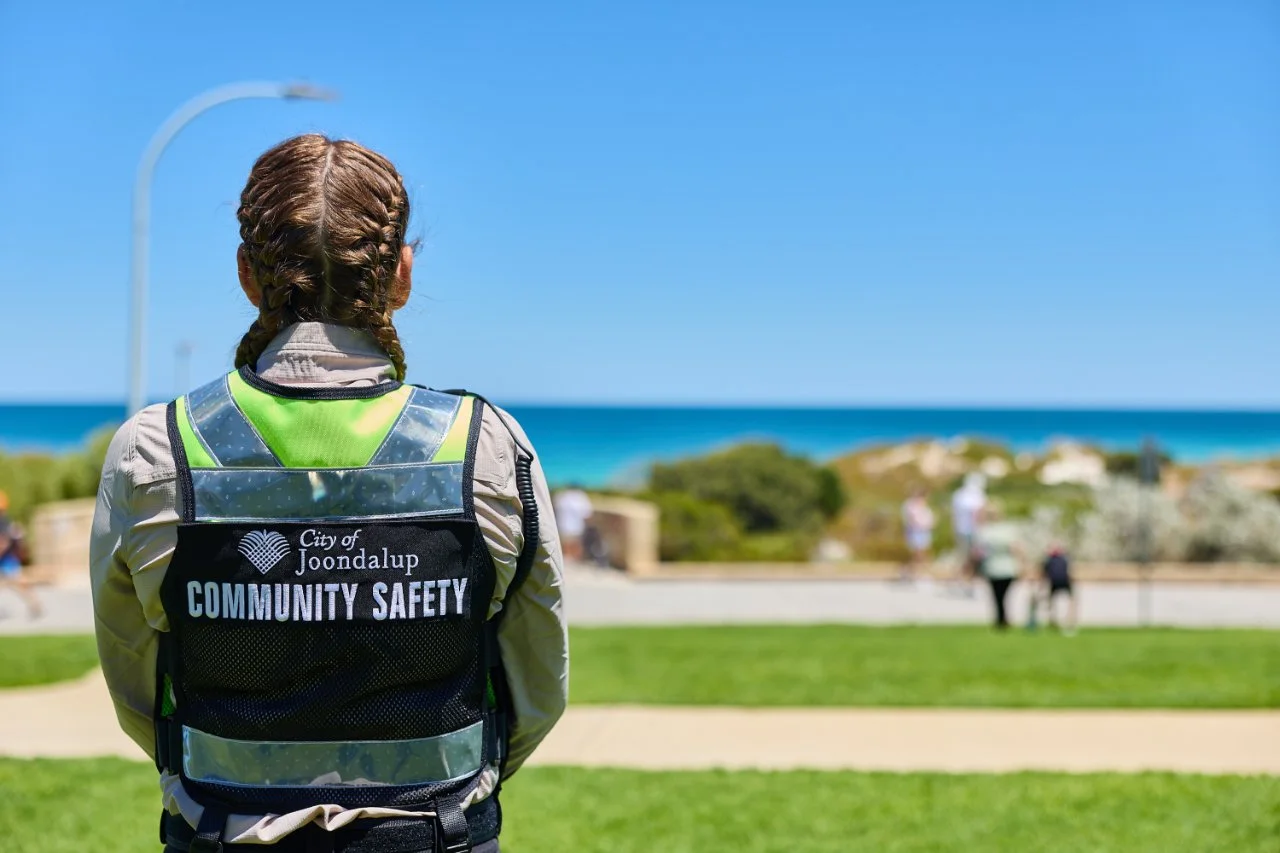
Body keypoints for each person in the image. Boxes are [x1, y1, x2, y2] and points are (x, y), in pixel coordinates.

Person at [90, 135, 568, 853]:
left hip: (222, 831)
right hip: (436, 833)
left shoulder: (159, 448)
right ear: (400, 273)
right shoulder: (485, 446)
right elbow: (538, 685)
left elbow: (137, 689)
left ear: (248, 274)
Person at [970, 504, 1023, 629]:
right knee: (1002, 596)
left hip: (993, 568)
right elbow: (1016, 549)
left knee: (997, 596)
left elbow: (977, 553)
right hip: (1007, 568)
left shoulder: (984, 531)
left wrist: (973, 567)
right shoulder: (1007, 530)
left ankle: (1001, 619)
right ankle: (1002, 619)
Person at [0, 492, 41, 619]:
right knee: (18, 583)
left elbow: (4, 541)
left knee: (19, 583)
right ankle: (35, 604)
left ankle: (35, 605)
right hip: (7, 559)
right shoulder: (6, 520)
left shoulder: (3, 521)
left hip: (7, 559)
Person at [950, 473, 987, 596]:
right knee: (966, 558)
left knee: (970, 558)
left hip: (969, 531)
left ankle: (966, 582)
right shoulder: (964, 496)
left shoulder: (962, 495)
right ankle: (964, 581)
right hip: (967, 531)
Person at [899, 487, 935, 583]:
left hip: (924, 532)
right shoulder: (910, 506)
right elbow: (911, 520)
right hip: (916, 532)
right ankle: (920, 573)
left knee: (920, 554)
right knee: (919, 554)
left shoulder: (923, 507)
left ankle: (908, 572)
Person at [1041, 543, 1078, 635]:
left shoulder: (1049, 560)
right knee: (1070, 602)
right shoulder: (1064, 559)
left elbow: (1044, 574)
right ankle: (1069, 623)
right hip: (1063, 581)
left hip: (1057, 582)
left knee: (1052, 603)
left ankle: (1054, 622)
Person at [553, 486, 593, 563]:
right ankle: (576, 563)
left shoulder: (561, 496)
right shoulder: (581, 498)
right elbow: (587, 514)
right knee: (576, 546)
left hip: (563, 526)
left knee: (566, 548)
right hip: (577, 527)